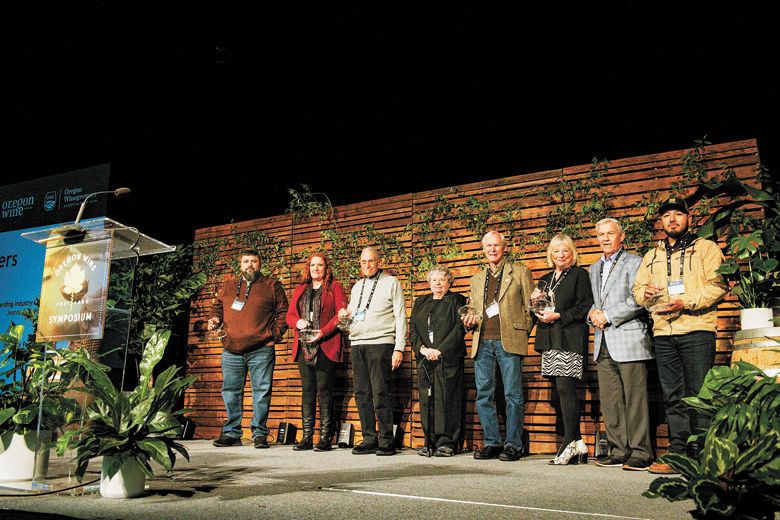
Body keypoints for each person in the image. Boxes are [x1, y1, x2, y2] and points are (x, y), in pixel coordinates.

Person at [633, 197, 727, 474]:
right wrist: (646, 295)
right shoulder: (652, 255)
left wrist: (686, 302)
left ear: (688, 218)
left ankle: (702, 453)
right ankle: (677, 451)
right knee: (672, 396)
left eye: (677, 214)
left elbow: (718, 286)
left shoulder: (705, 248)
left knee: (698, 394)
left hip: (697, 330)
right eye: (667, 216)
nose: (672, 219)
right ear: (660, 222)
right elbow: (638, 291)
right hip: (663, 333)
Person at [587, 218, 654, 471]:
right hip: (602, 340)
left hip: (629, 339)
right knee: (611, 400)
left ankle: (640, 451)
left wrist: (609, 315)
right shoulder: (594, 268)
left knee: (635, 399)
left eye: (610, 233)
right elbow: (595, 302)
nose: (605, 238)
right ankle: (618, 449)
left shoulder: (635, 262)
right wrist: (593, 314)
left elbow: (638, 300)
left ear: (621, 236)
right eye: (601, 234)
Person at [461, 231, 533, 462]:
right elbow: (472, 310)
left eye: (496, 245)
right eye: (488, 246)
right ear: (483, 249)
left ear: (504, 247)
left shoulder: (520, 272)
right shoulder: (476, 279)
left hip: (509, 341)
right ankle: (492, 442)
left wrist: (522, 331)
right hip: (482, 343)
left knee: (513, 395)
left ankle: (513, 444)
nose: (492, 249)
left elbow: (531, 307)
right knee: (484, 395)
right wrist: (469, 320)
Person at [208, 249, 289, 448]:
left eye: (253, 261)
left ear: (259, 265)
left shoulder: (272, 285)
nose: (249, 265)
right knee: (230, 391)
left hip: (261, 349)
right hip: (231, 350)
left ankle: (259, 433)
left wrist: (273, 336)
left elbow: (283, 313)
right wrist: (215, 318)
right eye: (246, 261)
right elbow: (218, 305)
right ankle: (232, 433)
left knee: (261, 392)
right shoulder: (228, 285)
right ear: (240, 264)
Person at [337, 247, 406, 456]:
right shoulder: (357, 286)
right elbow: (354, 318)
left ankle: (386, 439)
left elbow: (401, 316)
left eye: (371, 261)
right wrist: (343, 319)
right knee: (362, 393)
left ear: (379, 262)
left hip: (381, 343)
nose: (367, 265)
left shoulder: (391, 282)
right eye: (363, 261)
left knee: (380, 392)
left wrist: (399, 347)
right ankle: (369, 438)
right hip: (358, 344)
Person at [531, 234, 593, 465]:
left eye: (565, 250)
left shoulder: (579, 275)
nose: (561, 255)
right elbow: (536, 310)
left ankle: (568, 443)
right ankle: (578, 444)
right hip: (550, 339)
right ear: (550, 254)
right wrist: (535, 301)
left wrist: (558, 315)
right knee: (559, 392)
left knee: (567, 390)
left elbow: (585, 306)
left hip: (569, 338)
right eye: (556, 251)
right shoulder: (545, 279)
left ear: (572, 252)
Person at [285, 252, 348, 452]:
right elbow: (289, 315)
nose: (316, 269)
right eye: (312, 265)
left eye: (319, 265)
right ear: (308, 268)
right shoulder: (301, 288)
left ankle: (325, 437)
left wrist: (322, 332)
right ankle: (306, 436)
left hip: (325, 344)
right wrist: (297, 322)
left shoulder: (335, 287)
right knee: (308, 391)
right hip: (304, 346)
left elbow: (341, 315)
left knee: (324, 390)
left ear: (326, 267)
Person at [409, 265, 467, 457]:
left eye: (442, 279)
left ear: (449, 281)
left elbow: (459, 329)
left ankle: (447, 442)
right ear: (429, 283)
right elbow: (414, 331)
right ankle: (429, 441)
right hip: (425, 359)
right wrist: (423, 349)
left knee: (448, 399)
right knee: (428, 399)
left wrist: (440, 350)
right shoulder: (421, 301)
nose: (438, 283)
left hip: (448, 359)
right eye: (434, 280)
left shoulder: (457, 300)